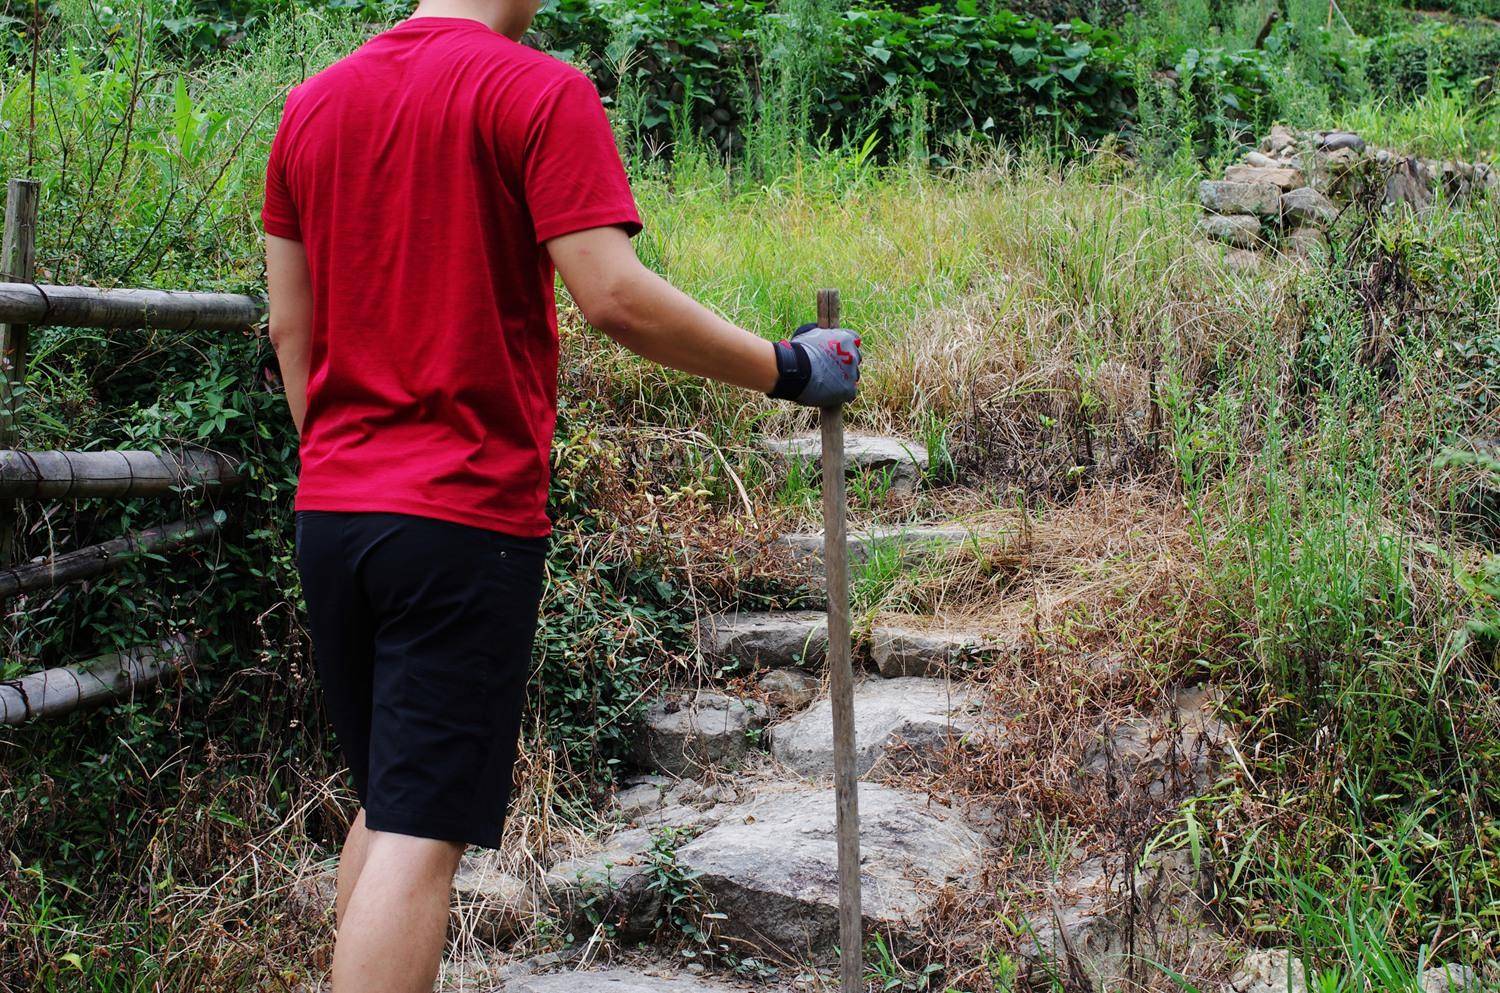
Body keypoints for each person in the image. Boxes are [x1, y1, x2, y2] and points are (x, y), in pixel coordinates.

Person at [261, 0, 862, 989]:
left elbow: (293, 330)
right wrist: (787, 367)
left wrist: (343, 467)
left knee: (388, 799)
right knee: (419, 830)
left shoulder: (313, 106)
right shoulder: (538, 90)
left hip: (333, 511)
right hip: (457, 516)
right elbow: (612, 294)